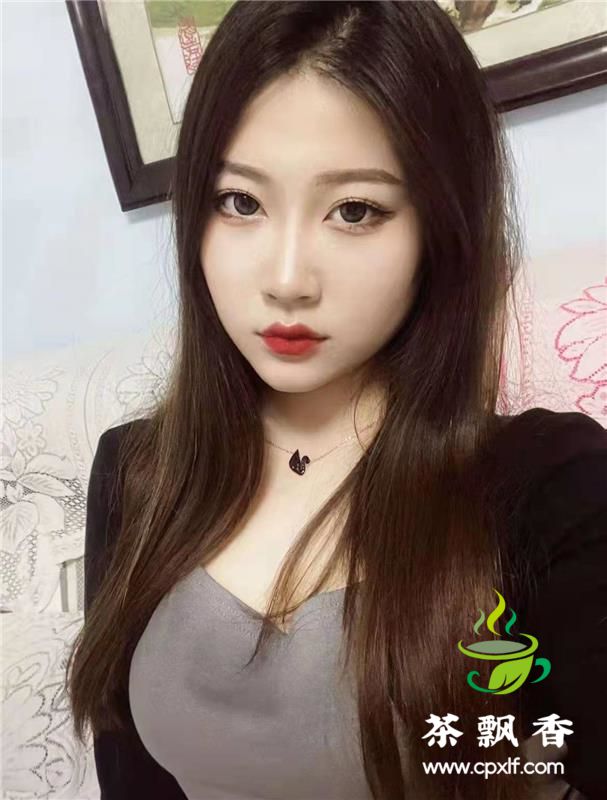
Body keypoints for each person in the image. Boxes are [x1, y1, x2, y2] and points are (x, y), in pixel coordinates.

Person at [65, 2, 607, 799]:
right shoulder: (138, 469)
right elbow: (131, 776)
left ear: (440, 230)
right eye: (239, 202)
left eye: (355, 211)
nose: (286, 279)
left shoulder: (549, 487)